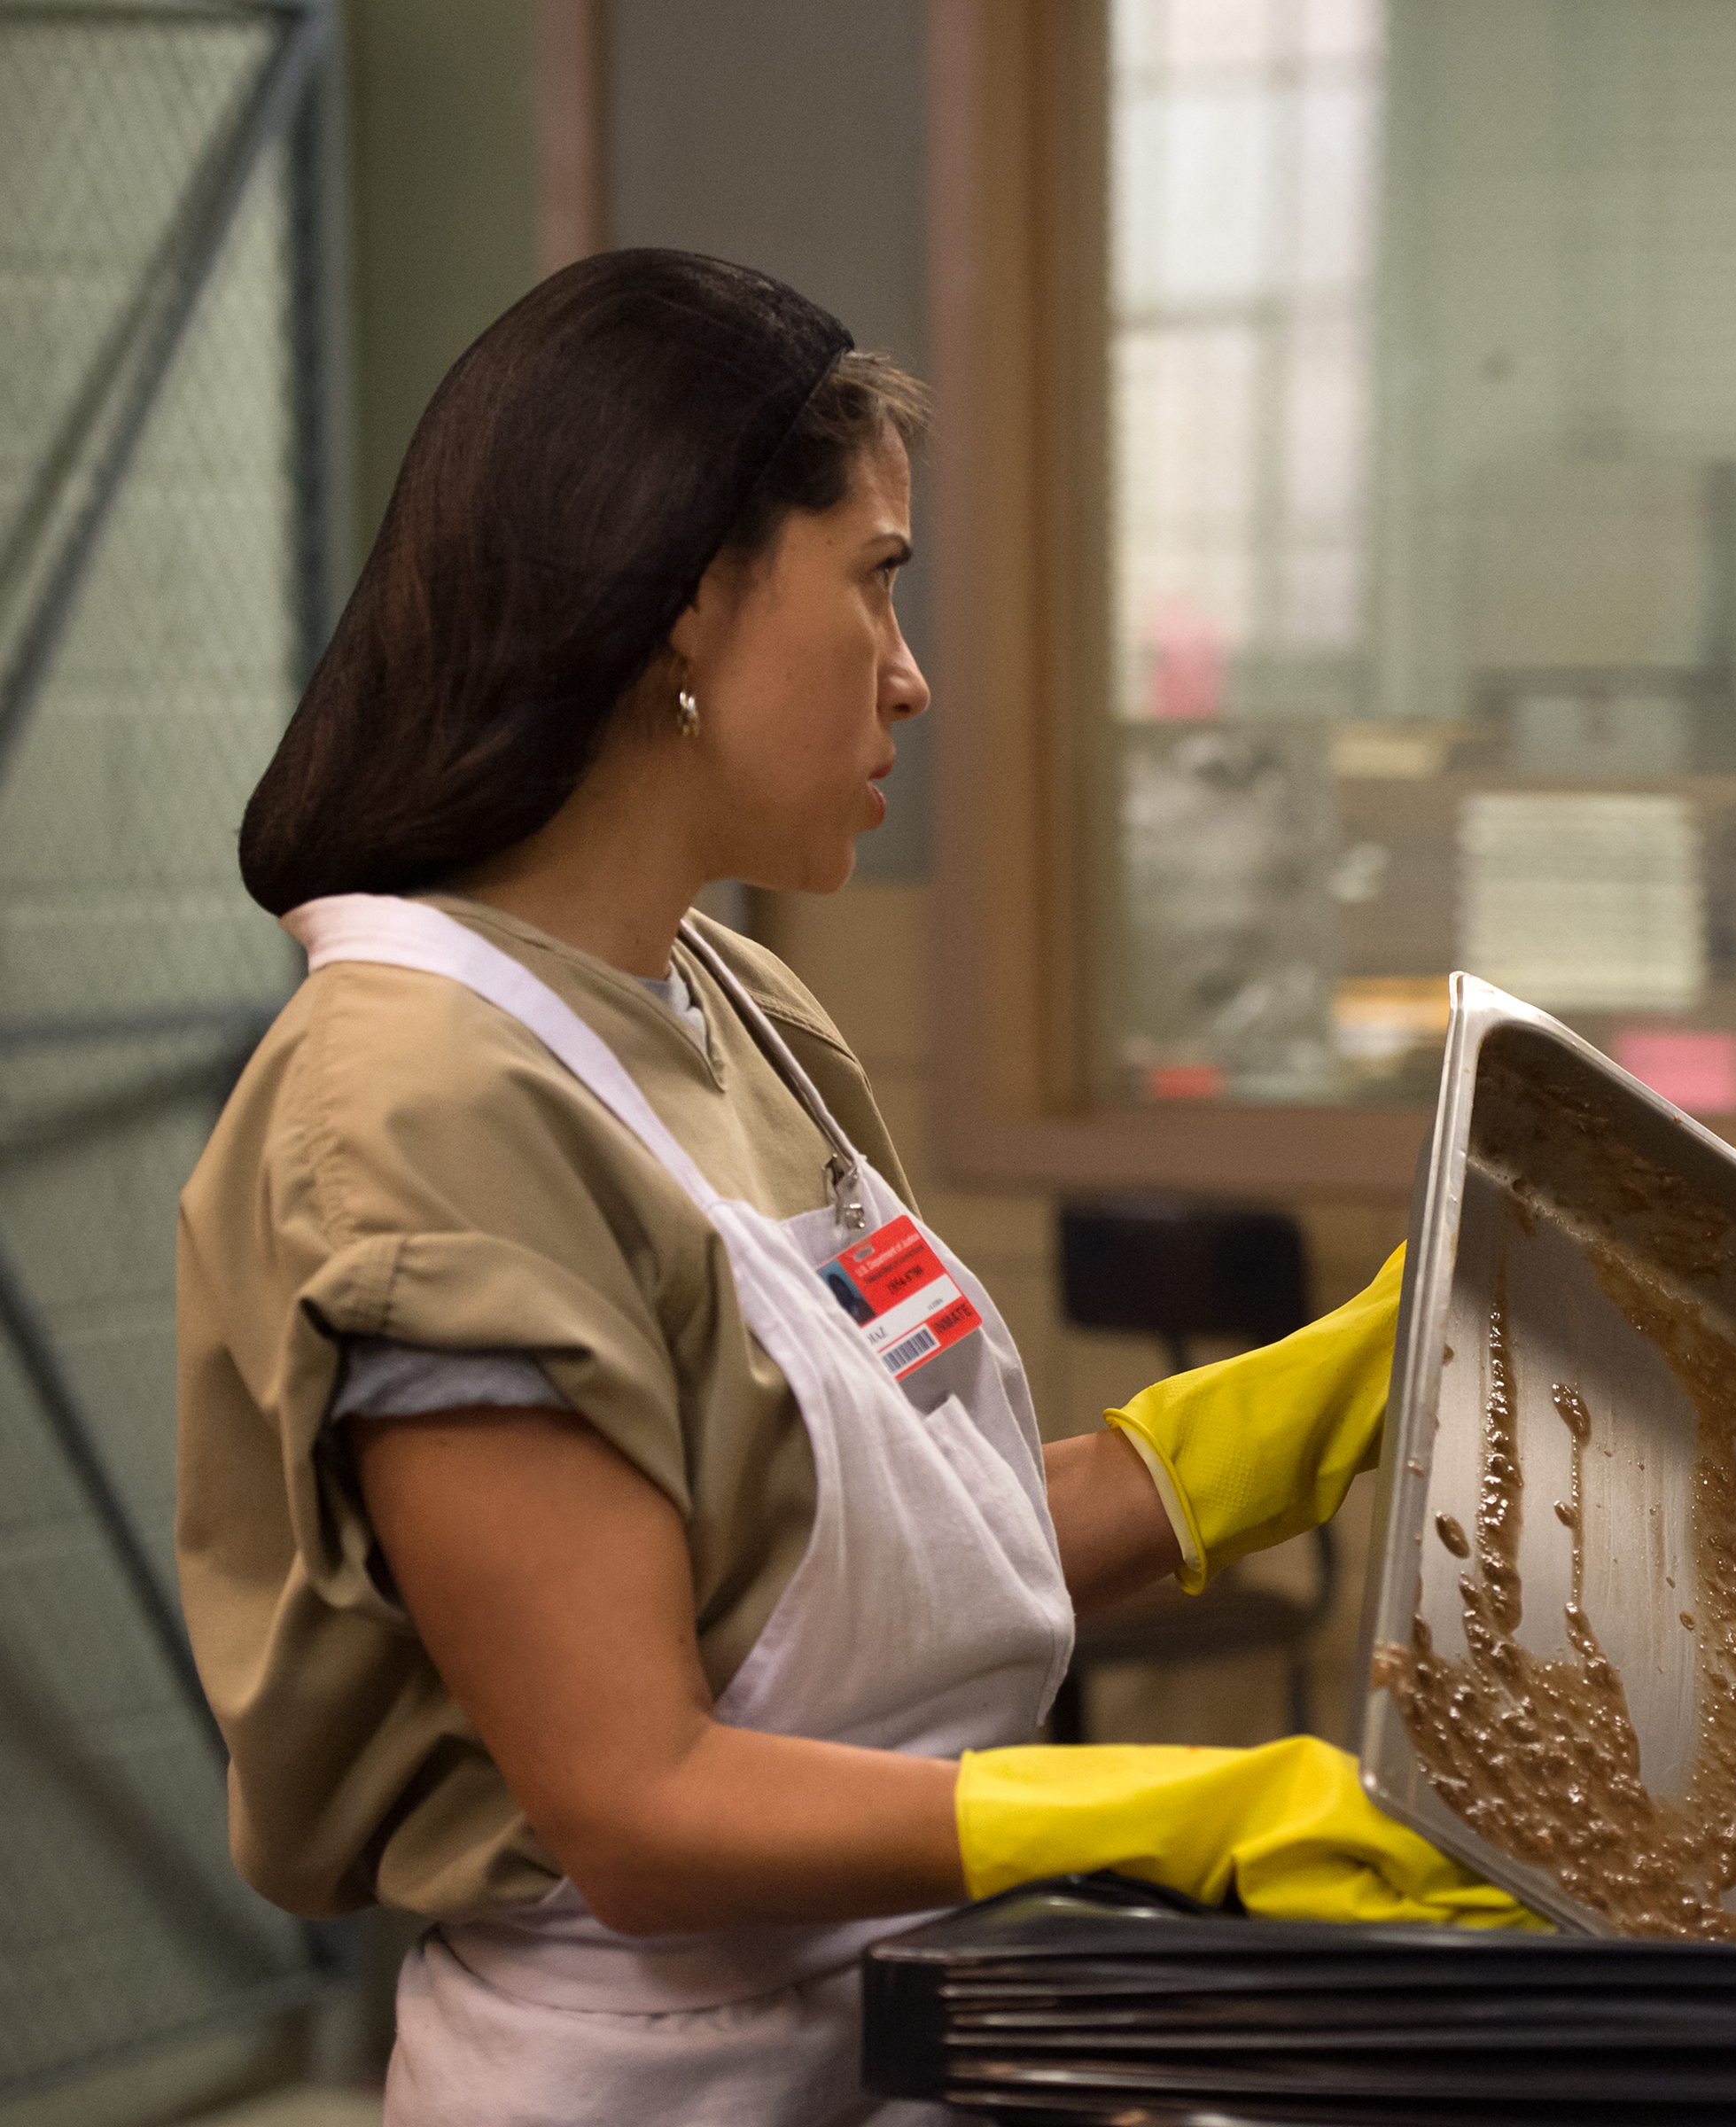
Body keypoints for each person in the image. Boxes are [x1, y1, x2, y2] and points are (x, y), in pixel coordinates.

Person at [176, 250, 1525, 2127]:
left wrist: (1376, 1376)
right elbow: (638, 1802)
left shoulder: (739, 1004)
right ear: (679, 607)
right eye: (878, 580)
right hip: (636, 2077)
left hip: (879, 2015)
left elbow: (887, 1585)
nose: (912, 673)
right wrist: (1183, 1804)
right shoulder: (415, 1107)